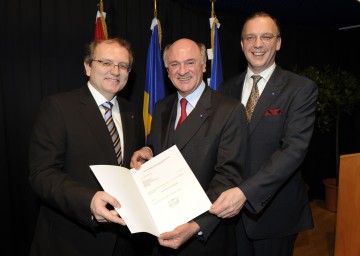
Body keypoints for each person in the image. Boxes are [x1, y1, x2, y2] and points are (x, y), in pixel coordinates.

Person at [209, 12, 318, 256]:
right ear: (242, 44)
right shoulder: (226, 89)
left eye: (266, 37)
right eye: (251, 37)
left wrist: (245, 193)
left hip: (274, 213)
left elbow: (293, 151)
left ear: (278, 43)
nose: (258, 44)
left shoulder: (300, 89)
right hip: (228, 213)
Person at [130, 38, 247, 256]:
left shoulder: (229, 110)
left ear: (204, 65)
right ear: (167, 70)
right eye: (174, 64)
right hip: (161, 232)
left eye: (190, 62)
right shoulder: (161, 107)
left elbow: (229, 176)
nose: (182, 70)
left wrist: (196, 225)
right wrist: (148, 151)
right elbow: (158, 145)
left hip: (204, 238)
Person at [28, 38, 145, 256]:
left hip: (124, 243)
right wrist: (88, 201)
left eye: (122, 65)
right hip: (71, 241)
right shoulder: (58, 107)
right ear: (87, 66)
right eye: (106, 62)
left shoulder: (132, 113)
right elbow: (42, 174)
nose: (115, 71)